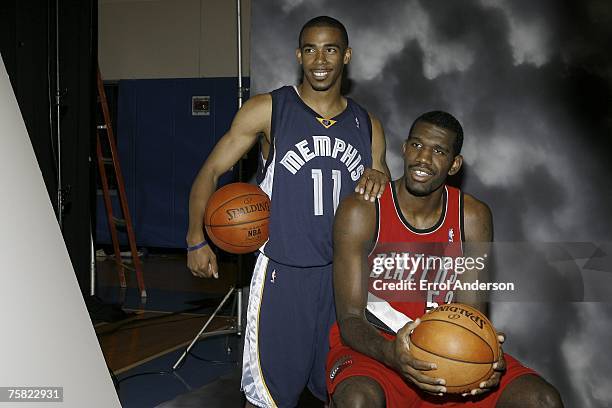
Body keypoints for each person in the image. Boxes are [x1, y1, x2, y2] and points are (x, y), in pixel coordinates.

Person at [186, 16, 390, 408]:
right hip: (284, 272)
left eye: (330, 49)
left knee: (340, 391)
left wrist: (380, 179)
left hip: (344, 280)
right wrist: (196, 237)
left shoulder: (368, 125)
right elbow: (210, 171)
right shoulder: (269, 109)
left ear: (346, 56)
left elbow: (381, 198)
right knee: (269, 397)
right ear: (299, 55)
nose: (320, 59)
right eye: (310, 49)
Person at [327, 111, 563, 407]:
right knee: (358, 401)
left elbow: (470, 312)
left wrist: (481, 359)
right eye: (416, 145)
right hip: (376, 348)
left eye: (438, 151)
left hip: (446, 349)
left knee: (541, 400)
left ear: (454, 164)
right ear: (404, 148)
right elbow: (350, 319)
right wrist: (393, 356)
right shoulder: (361, 211)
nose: (423, 159)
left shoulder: (472, 217)